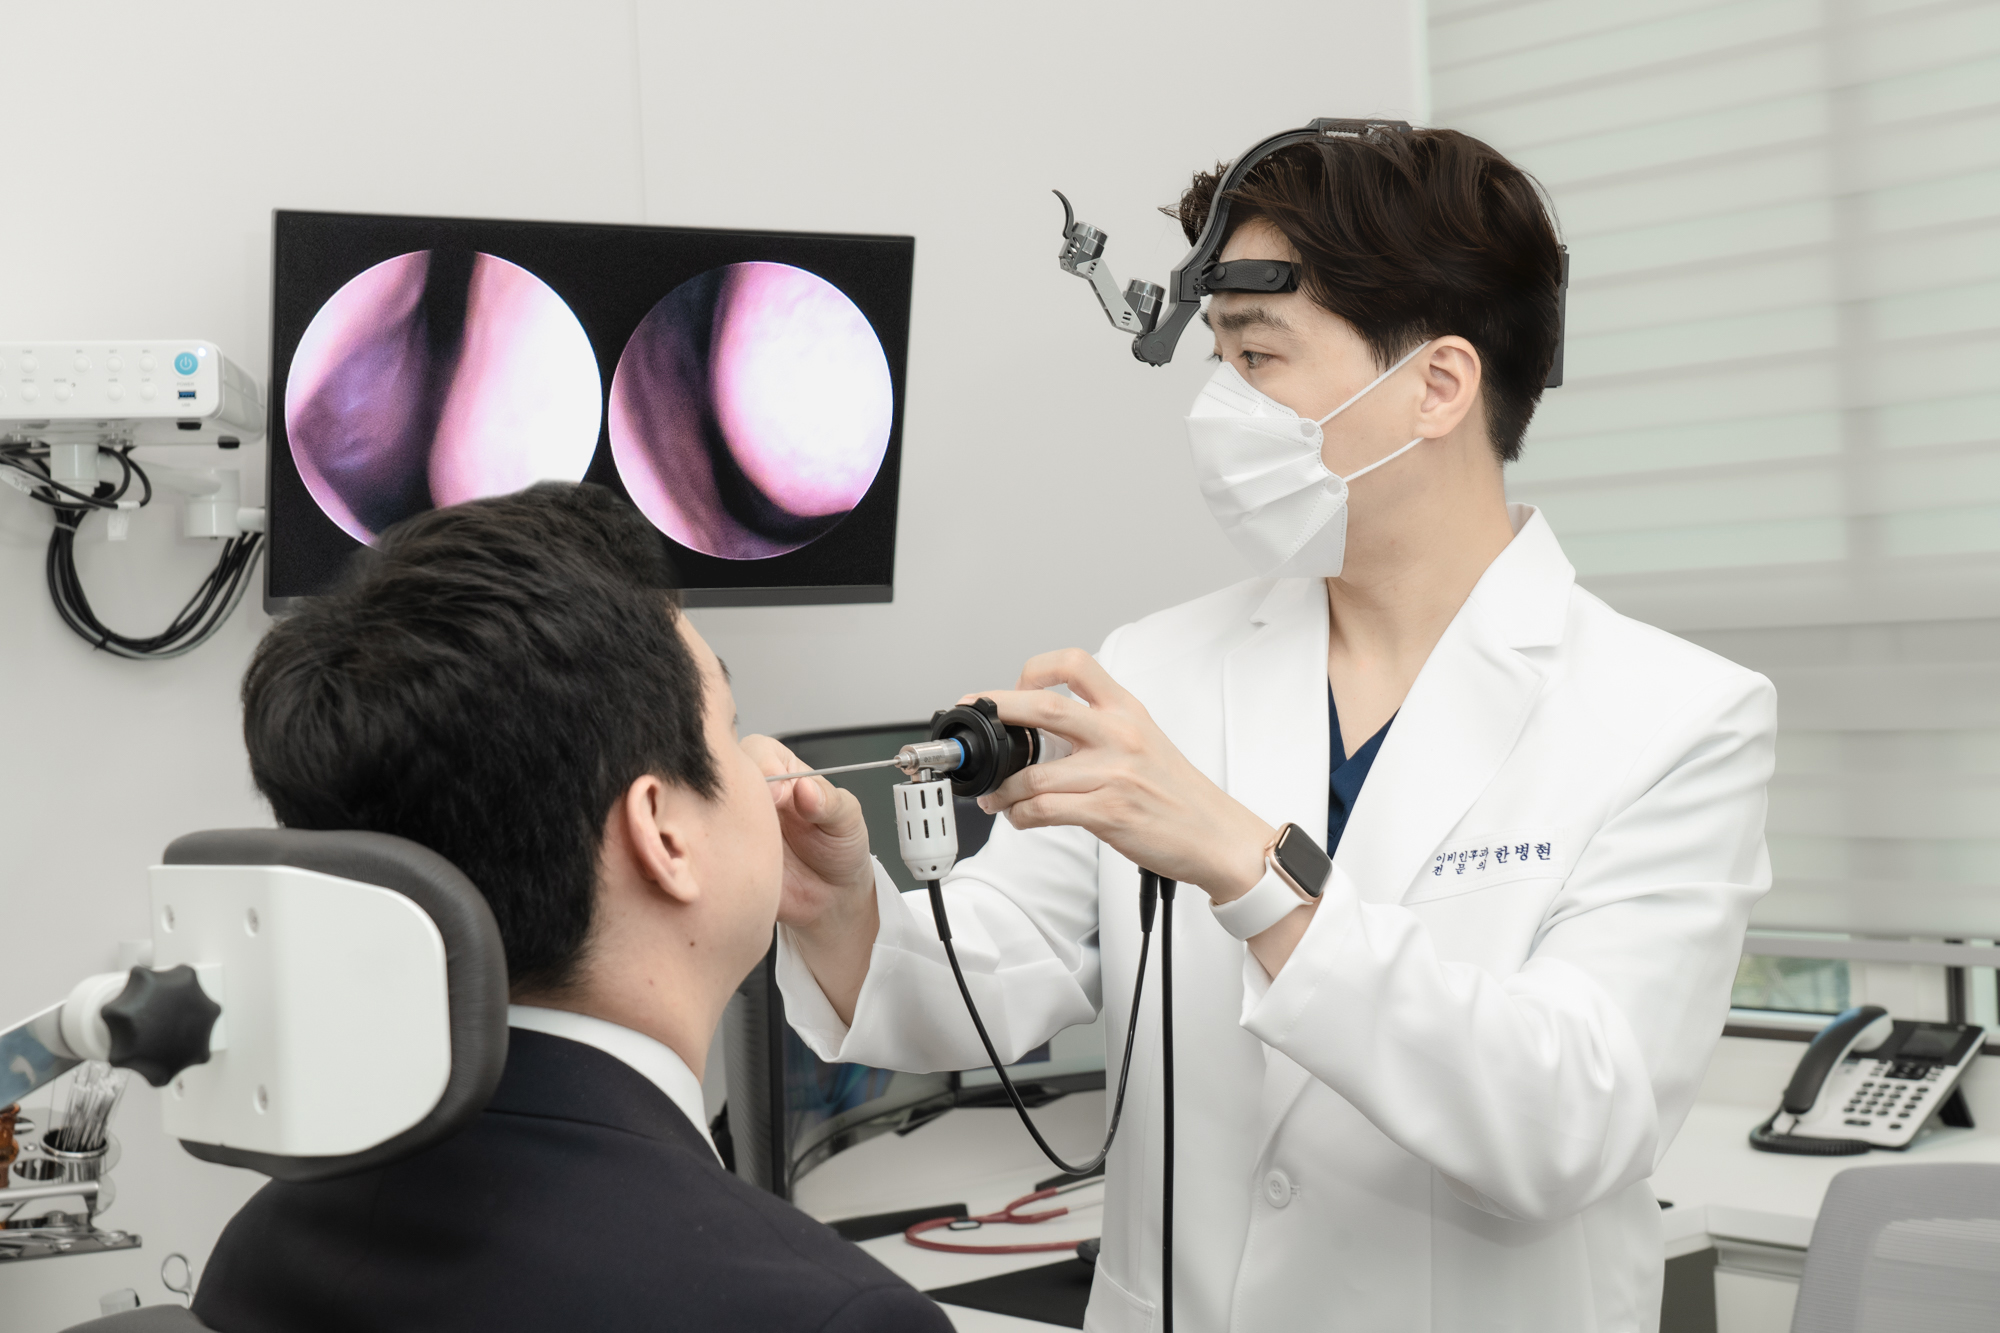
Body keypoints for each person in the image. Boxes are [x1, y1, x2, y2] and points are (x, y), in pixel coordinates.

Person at [760, 127, 1775, 1332]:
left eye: (1257, 355)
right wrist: (837, 902)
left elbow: (1569, 1126)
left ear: (1436, 387)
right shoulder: (1160, 665)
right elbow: (980, 979)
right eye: (1217, 357)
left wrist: (1250, 871)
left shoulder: (1672, 717)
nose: (1219, 406)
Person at [193, 483, 951, 1333]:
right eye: (732, 727)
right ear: (662, 833)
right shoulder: (823, 1315)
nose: (768, 766)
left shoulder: (263, 1245)